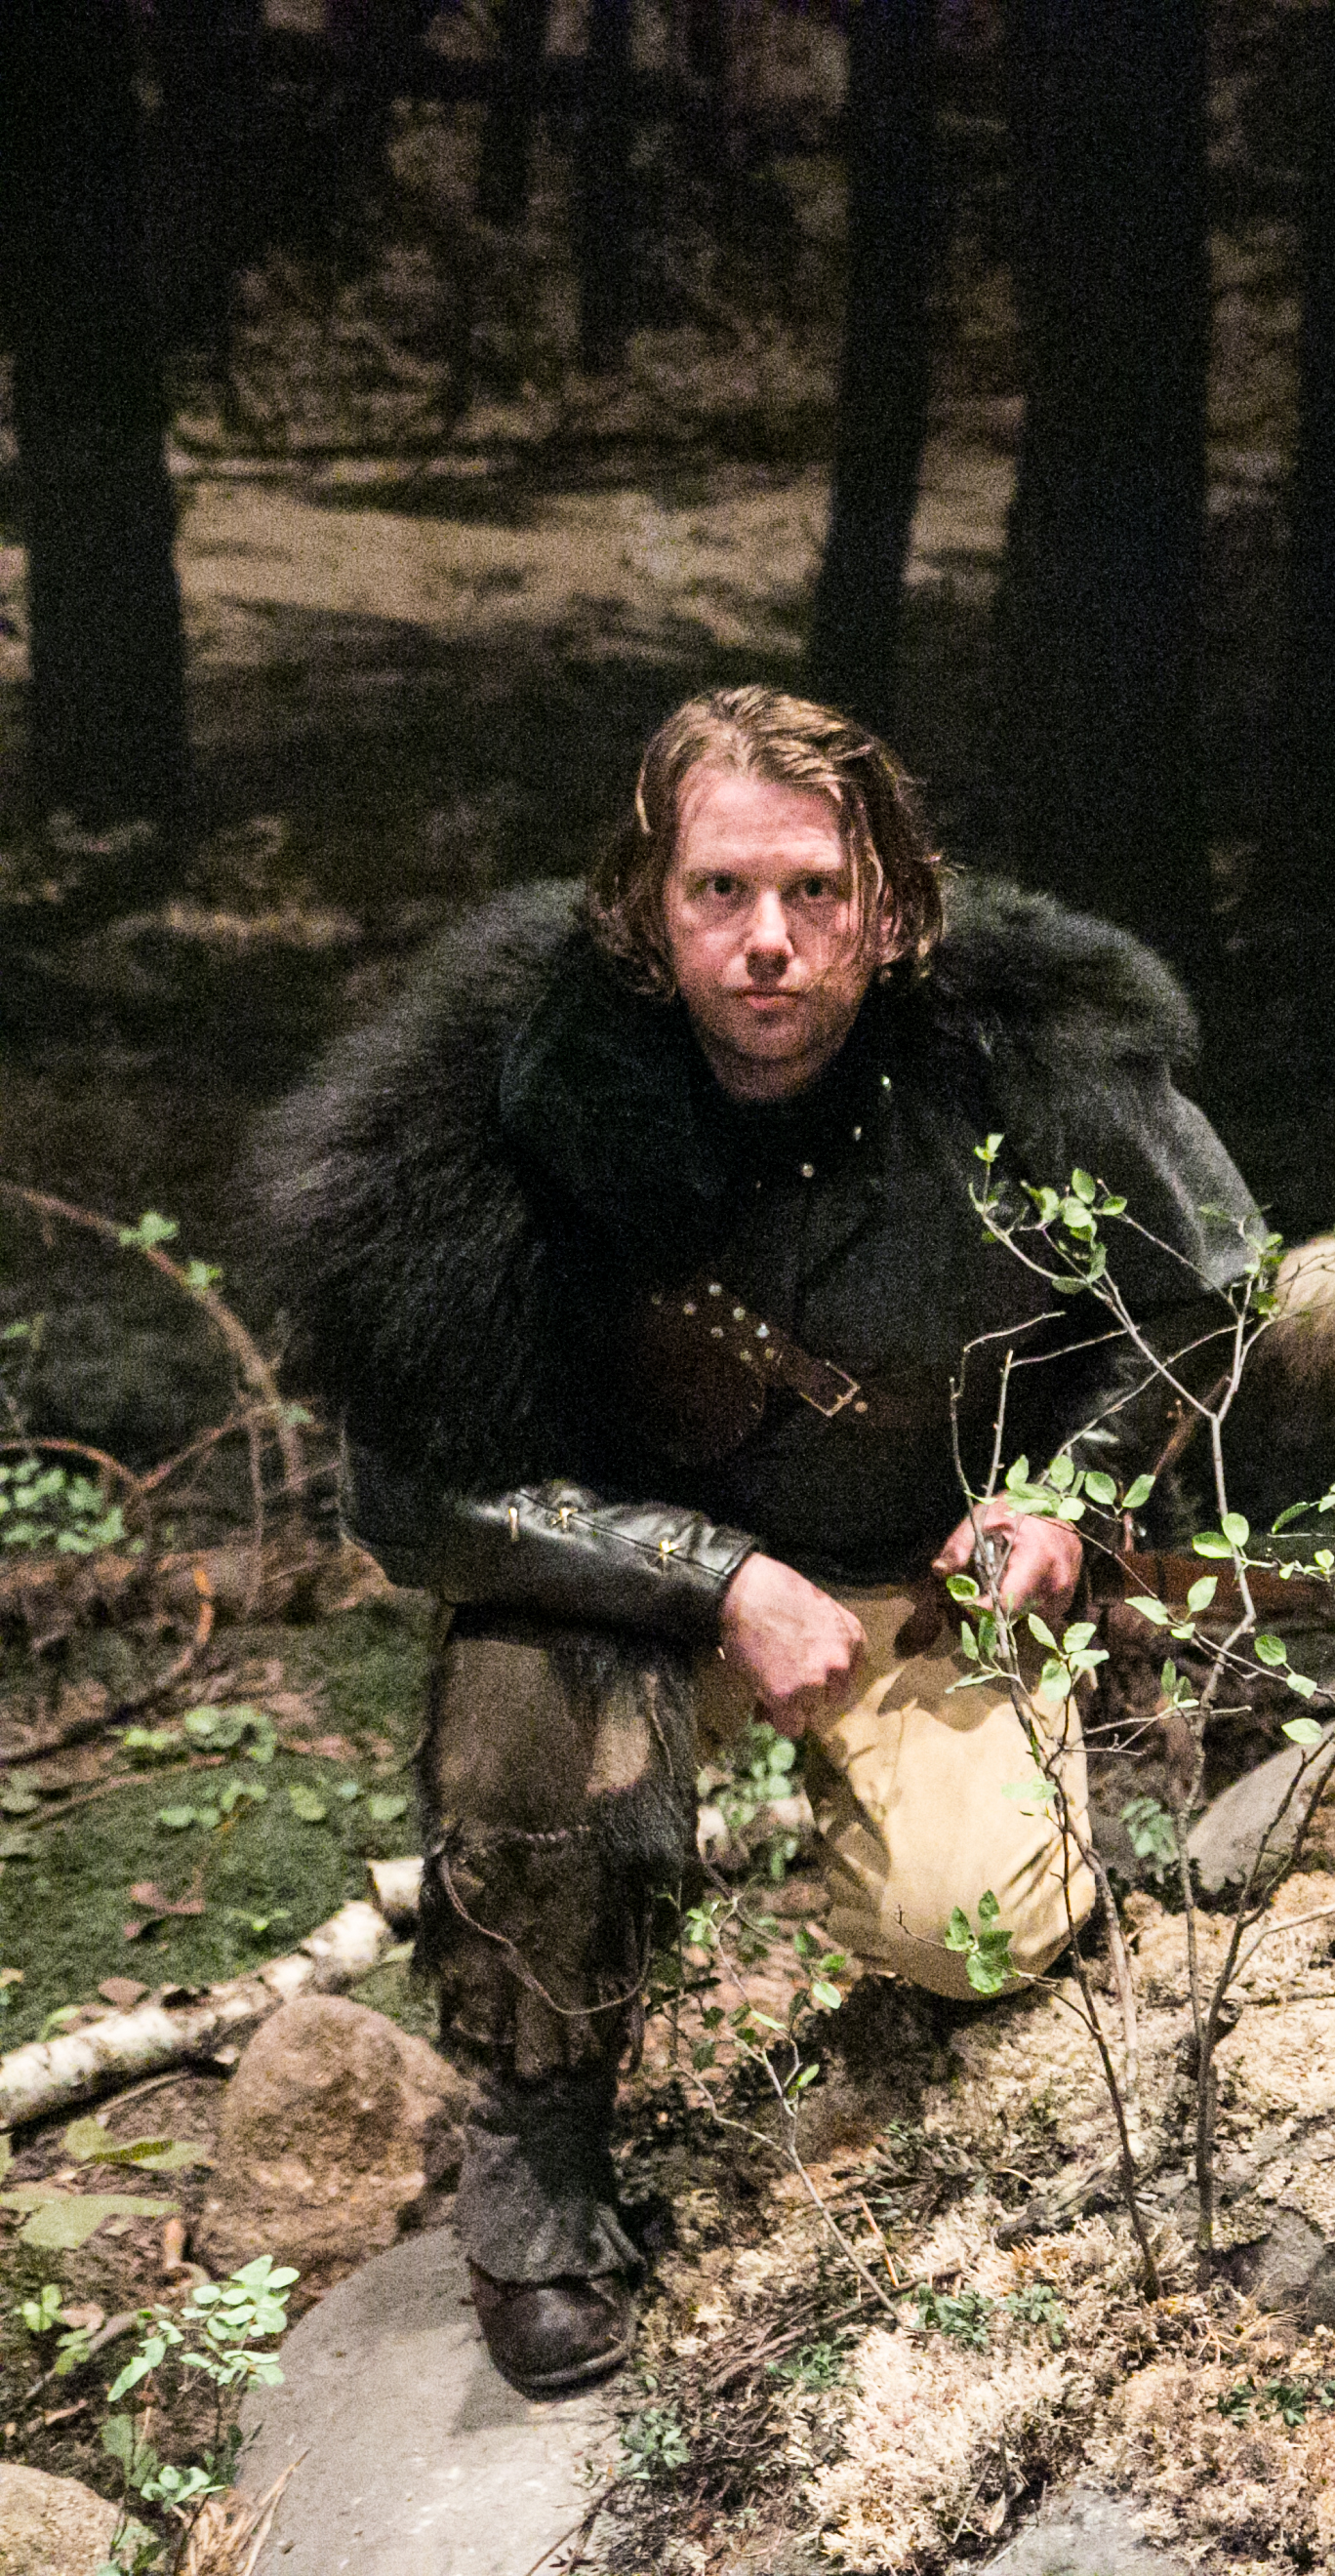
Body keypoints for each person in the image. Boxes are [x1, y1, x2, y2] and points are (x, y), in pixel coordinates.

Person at [248, 687, 1261, 2395]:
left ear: (895, 903)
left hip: (917, 1579)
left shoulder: (1028, 1052)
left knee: (975, 1933)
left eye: (814, 892)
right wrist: (707, 1576)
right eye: (721, 893)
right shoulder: (502, 1090)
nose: (769, 943)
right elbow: (409, 1491)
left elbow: (1211, 1295)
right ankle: (545, 2184)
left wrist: (1067, 1498)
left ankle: (928, 1836)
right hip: (633, 1586)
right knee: (526, 1719)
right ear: (647, 909)